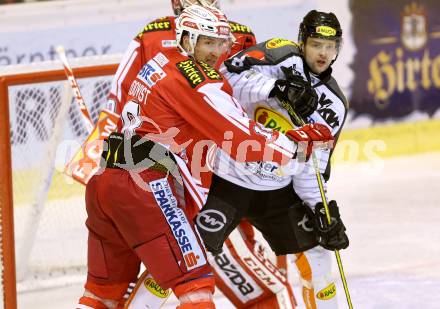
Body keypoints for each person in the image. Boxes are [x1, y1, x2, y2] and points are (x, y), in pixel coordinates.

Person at [76, 5, 334, 309]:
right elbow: (241, 135)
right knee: (195, 287)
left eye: (220, 43)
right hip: (147, 187)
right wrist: (294, 145)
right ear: (186, 38)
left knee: (102, 294)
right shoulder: (195, 78)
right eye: (206, 42)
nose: (215, 52)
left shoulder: (157, 62)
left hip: (105, 181)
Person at [195, 9, 349, 309]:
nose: (323, 53)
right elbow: (221, 82)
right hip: (227, 179)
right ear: (302, 41)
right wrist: (274, 87)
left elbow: (312, 165)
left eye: (330, 47)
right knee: (186, 255)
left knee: (319, 257)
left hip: (278, 191)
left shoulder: (335, 104)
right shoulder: (279, 54)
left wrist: (321, 209)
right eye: (317, 44)